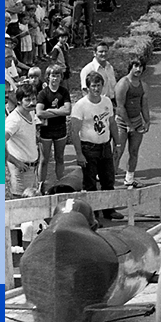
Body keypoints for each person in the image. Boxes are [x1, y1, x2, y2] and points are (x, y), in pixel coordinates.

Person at [70, 72, 124, 220]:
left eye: (98, 85)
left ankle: (109, 210)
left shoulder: (106, 102)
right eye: (93, 86)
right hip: (88, 148)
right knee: (90, 183)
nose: (96, 89)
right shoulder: (80, 106)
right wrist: (79, 154)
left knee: (108, 179)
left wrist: (117, 143)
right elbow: (74, 132)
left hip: (105, 146)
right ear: (88, 87)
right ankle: (92, 215)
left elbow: (112, 123)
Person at [114, 59, 150, 187]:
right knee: (118, 151)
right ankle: (110, 181)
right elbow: (120, 107)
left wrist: (147, 121)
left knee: (134, 151)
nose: (138, 69)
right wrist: (129, 125)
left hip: (137, 122)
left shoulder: (143, 86)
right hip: (122, 123)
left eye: (141, 67)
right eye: (136, 66)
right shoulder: (123, 84)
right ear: (131, 67)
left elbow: (144, 106)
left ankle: (129, 178)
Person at [36, 66, 72, 190]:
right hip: (46, 130)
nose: (55, 78)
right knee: (44, 159)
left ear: (61, 77)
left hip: (60, 128)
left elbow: (67, 110)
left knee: (60, 157)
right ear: (48, 77)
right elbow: (40, 113)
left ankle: (60, 184)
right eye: (53, 75)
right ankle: (40, 185)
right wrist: (58, 111)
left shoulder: (64, 92)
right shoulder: (43, 93)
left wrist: (50, 110)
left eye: (57, 75)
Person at [5, 83, 39, 197]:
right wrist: (15, 161)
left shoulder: (30, 112)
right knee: (21, 206)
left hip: (31, 167)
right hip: (21, 169)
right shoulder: (14, 120)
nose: (32, 103)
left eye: (34, 99)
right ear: (19, 101)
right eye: (27, 100)